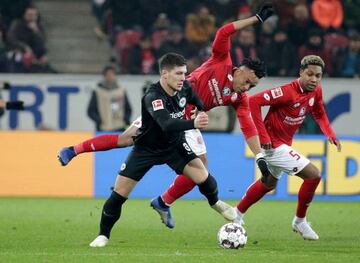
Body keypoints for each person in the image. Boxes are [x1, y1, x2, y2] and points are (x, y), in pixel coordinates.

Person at [59, 4, 275, 228]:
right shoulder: (222, 61)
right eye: (248, 81)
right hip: (168, 106)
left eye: (252, 86)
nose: (247, 88)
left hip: (187, 125)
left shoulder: (239, 98)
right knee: (126, 139)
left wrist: (259, 156)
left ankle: (163, 202)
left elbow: (249, 128)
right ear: (240, 70)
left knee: (200, 171)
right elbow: (224, 32)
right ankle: (73, 150)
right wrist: (256, 19)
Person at [89, 53, 236, 247]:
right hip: (146, 148)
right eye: (178, 73)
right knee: (119, 194)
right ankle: (103, 235)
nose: (183, 78)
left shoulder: (185, 87)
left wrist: (200, 110)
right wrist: (194, 122)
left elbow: (195, 98)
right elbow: (166, 123)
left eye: (184, 73)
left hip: (173, 146)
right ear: (165, 74)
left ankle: (215, 202)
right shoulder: (152, 96)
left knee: (202, 175)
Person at [233, 55, 342, 240]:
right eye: (309, 74)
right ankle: (300, 221)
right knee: (314, 175)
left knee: (268, 183)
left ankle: (236, 214)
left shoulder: (316, 91)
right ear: (300, 72)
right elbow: (253, 102)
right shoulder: (286, 92)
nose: (314, 79)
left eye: (318, 75)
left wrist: (330, 134)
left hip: (283, 144)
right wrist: (263, 135)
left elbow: (319, 112)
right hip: (272, 145)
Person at [87, 65, 132, 131]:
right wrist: (99, 121)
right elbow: (91, 110)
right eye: (108, 75)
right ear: (104, 76)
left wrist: (125, 119)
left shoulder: (121, 91)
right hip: (103, 128)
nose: (110, 77)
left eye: (112, 74)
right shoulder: (98, 91)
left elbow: (128, 109)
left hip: (119, 127)